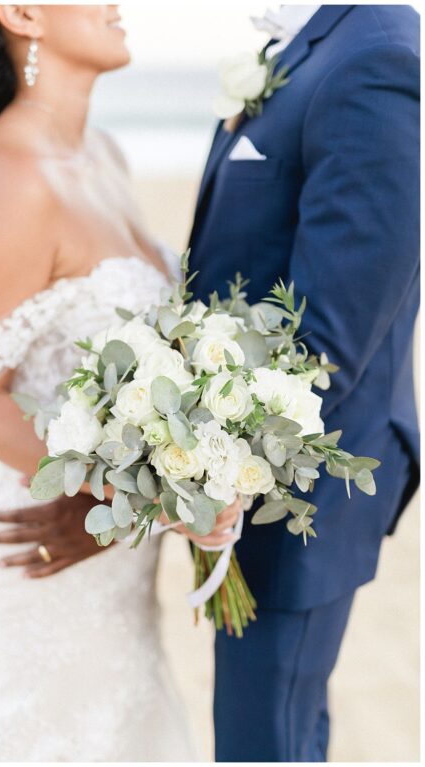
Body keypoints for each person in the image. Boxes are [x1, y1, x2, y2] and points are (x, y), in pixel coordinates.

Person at [0, 6, 235, 760]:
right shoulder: (10, 177)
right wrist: (143, 496)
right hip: (40, 540)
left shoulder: (105, 154)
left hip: (118, 564)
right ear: (22, 13)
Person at [187, 5, 420, 761]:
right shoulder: (310, 46)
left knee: (267, 738)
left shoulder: (373, 55)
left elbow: (335, 325)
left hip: (301, 483)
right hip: (251, 474)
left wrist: (228, 468)